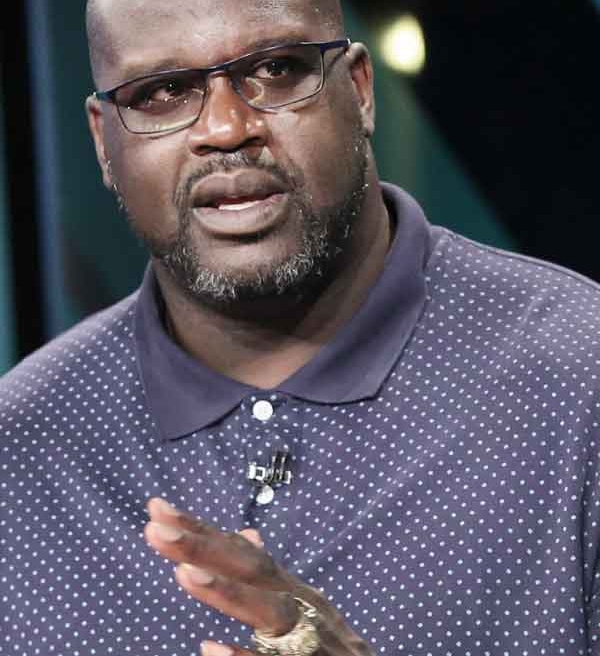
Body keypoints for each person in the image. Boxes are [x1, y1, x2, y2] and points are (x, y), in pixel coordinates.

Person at [2, 0, 600, 655]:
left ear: (360, 89)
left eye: (276, 69)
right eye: (163, 92)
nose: (226, 128)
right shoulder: (21, 450)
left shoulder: (579, 380)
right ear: (103, 141)